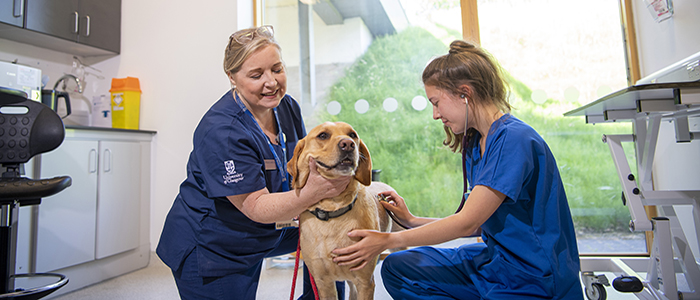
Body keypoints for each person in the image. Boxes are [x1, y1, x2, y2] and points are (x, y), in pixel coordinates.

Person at [332, 40, 584, 299]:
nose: (435, 114)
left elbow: (468, 223)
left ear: (464, 94)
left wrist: (388, 241)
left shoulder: (514, 140)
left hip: (533, 276)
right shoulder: (476, 141)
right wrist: (410, 221)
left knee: (399, 257)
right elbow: (479, 224)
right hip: (497, 262)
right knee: (399, 268)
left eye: (437, 102)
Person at [156, 25, 350, 300]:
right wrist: (312, 194)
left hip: (265, 230)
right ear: (232, 77)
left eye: (277, 69)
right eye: (256, 75)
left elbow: (300, 165)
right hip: (215, 245)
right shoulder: (222, 131)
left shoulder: (286, 106)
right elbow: (256, 206)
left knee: (335, 233)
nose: (271, 82)